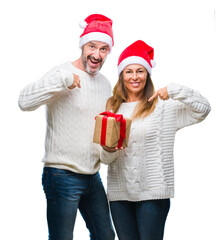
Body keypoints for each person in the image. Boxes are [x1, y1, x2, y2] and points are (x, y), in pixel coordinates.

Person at [100, 40, 211, 240]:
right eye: (129, 71)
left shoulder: (163, 107)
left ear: (147, 74)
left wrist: (176, 89)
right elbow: (106, 159)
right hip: (119, 195)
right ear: (121, 75)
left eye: (140, 71)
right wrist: (107, 149)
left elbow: (203, 109)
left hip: (153, 194)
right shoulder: (111, 107)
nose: (135, 77)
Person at [18, 14, 115, 240]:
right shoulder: (61, 73)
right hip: (61, 175)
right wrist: (62, 80)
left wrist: (108, 150)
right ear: (83, 45)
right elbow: (24, 102)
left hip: (93, 176)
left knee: (106, 236)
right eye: (92, 46)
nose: (97, 55)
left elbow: (101, 133)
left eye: (103, 49)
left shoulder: (105, 84)